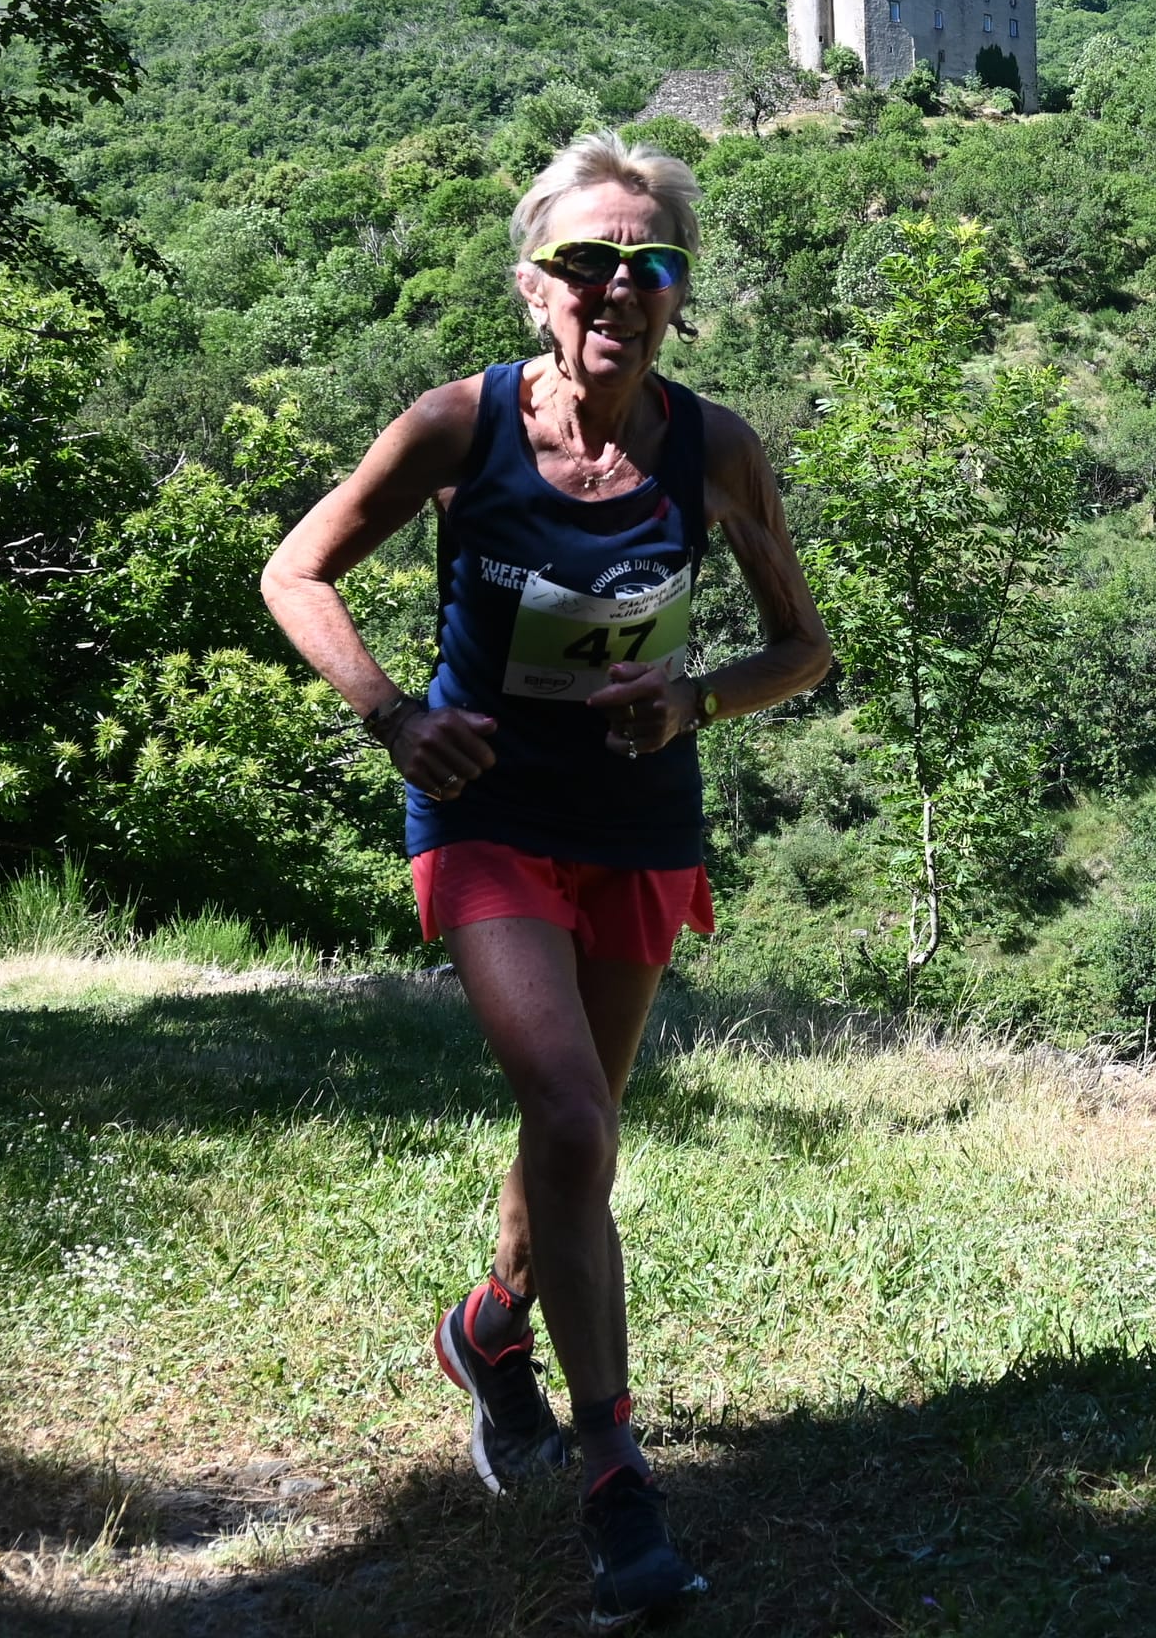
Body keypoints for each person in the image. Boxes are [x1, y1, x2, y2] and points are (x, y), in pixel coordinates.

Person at [260, 131, 832, 1625]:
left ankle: (491, 1324)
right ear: (534, 288)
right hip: (490, 812)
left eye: (650, 266)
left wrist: (696, 699)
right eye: (585, 263)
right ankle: (618, 1484)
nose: (616, 289)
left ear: (678, 299)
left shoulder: (715, 451)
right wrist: (393, 715)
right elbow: (294, 571)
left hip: (640, 821)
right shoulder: (460, 428)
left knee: (578, 1140)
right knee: (572, 1113)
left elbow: (802, 648)